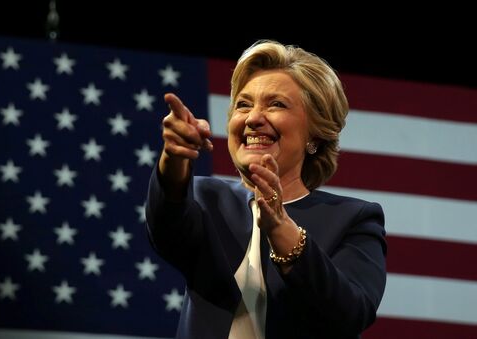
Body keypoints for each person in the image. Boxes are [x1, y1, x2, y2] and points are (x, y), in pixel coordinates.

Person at [145, 40, 387, 338]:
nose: (253, 118)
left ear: (315, 135)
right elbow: (166, 227)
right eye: (243, 105)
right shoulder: (206, 199)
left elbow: (350, 313)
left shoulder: (354, 219)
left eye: (276, 104)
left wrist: (281, 227)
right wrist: (175, 157)